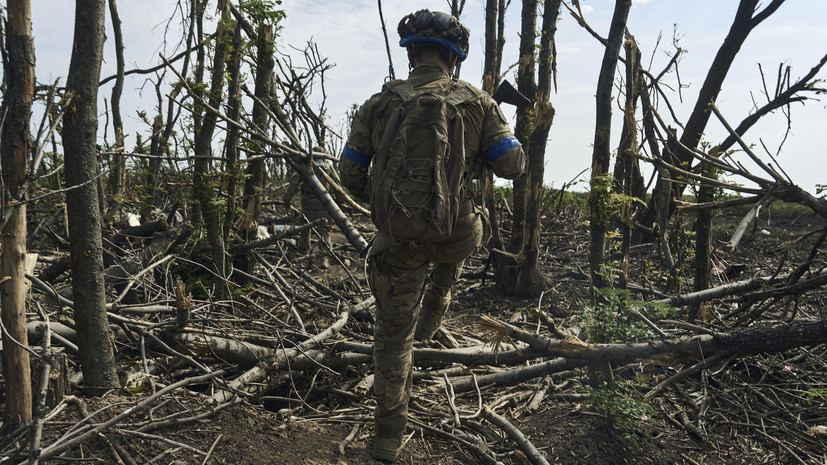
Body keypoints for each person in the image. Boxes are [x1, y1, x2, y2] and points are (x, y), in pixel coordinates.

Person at [338, 9, 526, 462]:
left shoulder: (379, 104)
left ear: (411, 54)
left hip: (399, 240)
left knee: (391, 335)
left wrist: (388, 208)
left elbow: (349, 173)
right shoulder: (479, 102)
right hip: (459, 233)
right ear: (454, 59)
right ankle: (436, 310)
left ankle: (387, 438)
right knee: (457, 239)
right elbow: (512, 166)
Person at [283, 147, 342, 269]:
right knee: (324, 231)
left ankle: (303, 250)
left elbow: (293, 184)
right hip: (325, 203)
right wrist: (339, 203)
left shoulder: (305, 166)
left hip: (308, 203)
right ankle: (324, 258)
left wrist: (287, 200)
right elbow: (337, 184)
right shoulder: (328, 167)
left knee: (305, 226)